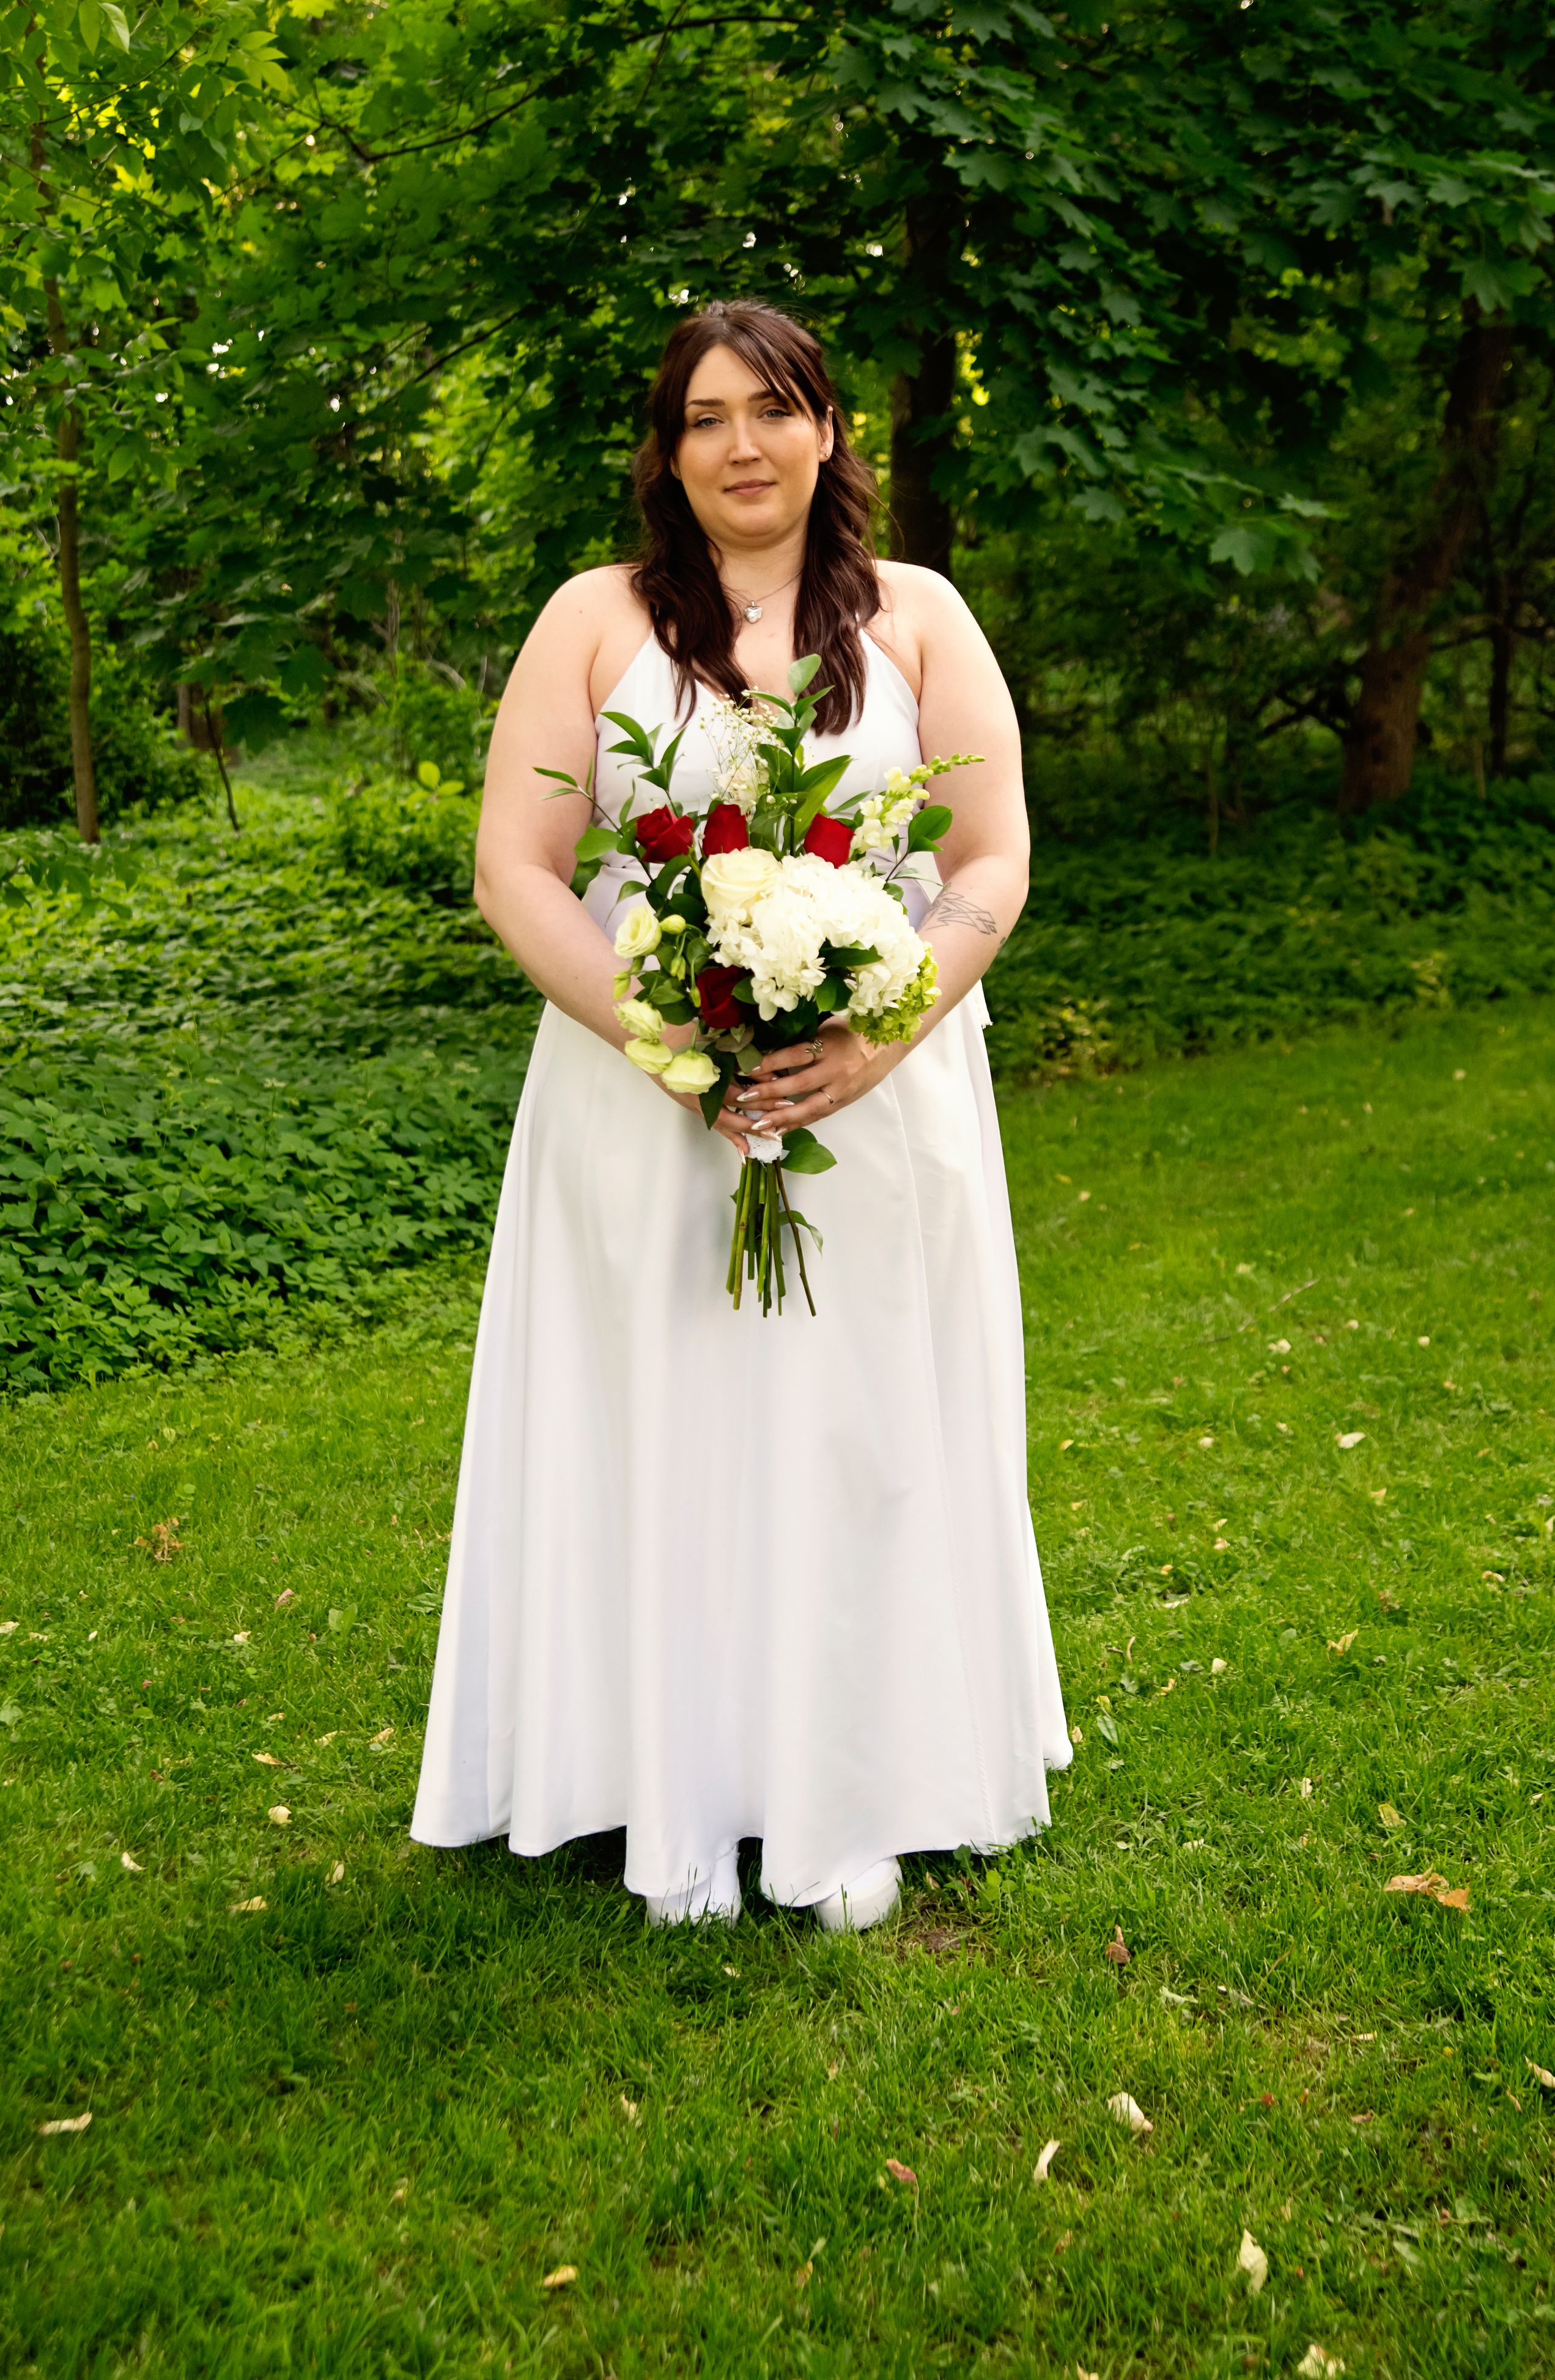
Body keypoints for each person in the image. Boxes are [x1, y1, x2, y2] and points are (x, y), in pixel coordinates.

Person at [410, 300, 1071, 1928]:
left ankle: (863, 1774)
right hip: (637, 1106)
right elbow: (515, 871)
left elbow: (987, 862)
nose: (743, 443)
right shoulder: (591, 618)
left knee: (854, 1429)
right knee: (667, 1416)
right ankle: (666, 1785)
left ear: (830, 432)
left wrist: (882, 1031)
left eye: (773, 409)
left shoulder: (915, 617)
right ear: (664, 449)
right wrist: (666, 1038)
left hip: (880, 1099)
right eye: (706, 416)